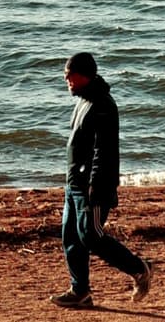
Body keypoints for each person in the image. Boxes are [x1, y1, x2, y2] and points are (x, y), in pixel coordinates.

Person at [50, 51, 150, 308]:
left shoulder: (103, 105)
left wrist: (95, 186)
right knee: (71, 237)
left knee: (91, 236)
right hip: (74, 185)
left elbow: (103, 151)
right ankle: (80, 291)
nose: (67, 80)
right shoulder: (83, 99)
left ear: (84, 75)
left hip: (93, 187)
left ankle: (139, 269)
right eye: (66, 76)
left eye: (70, 75)